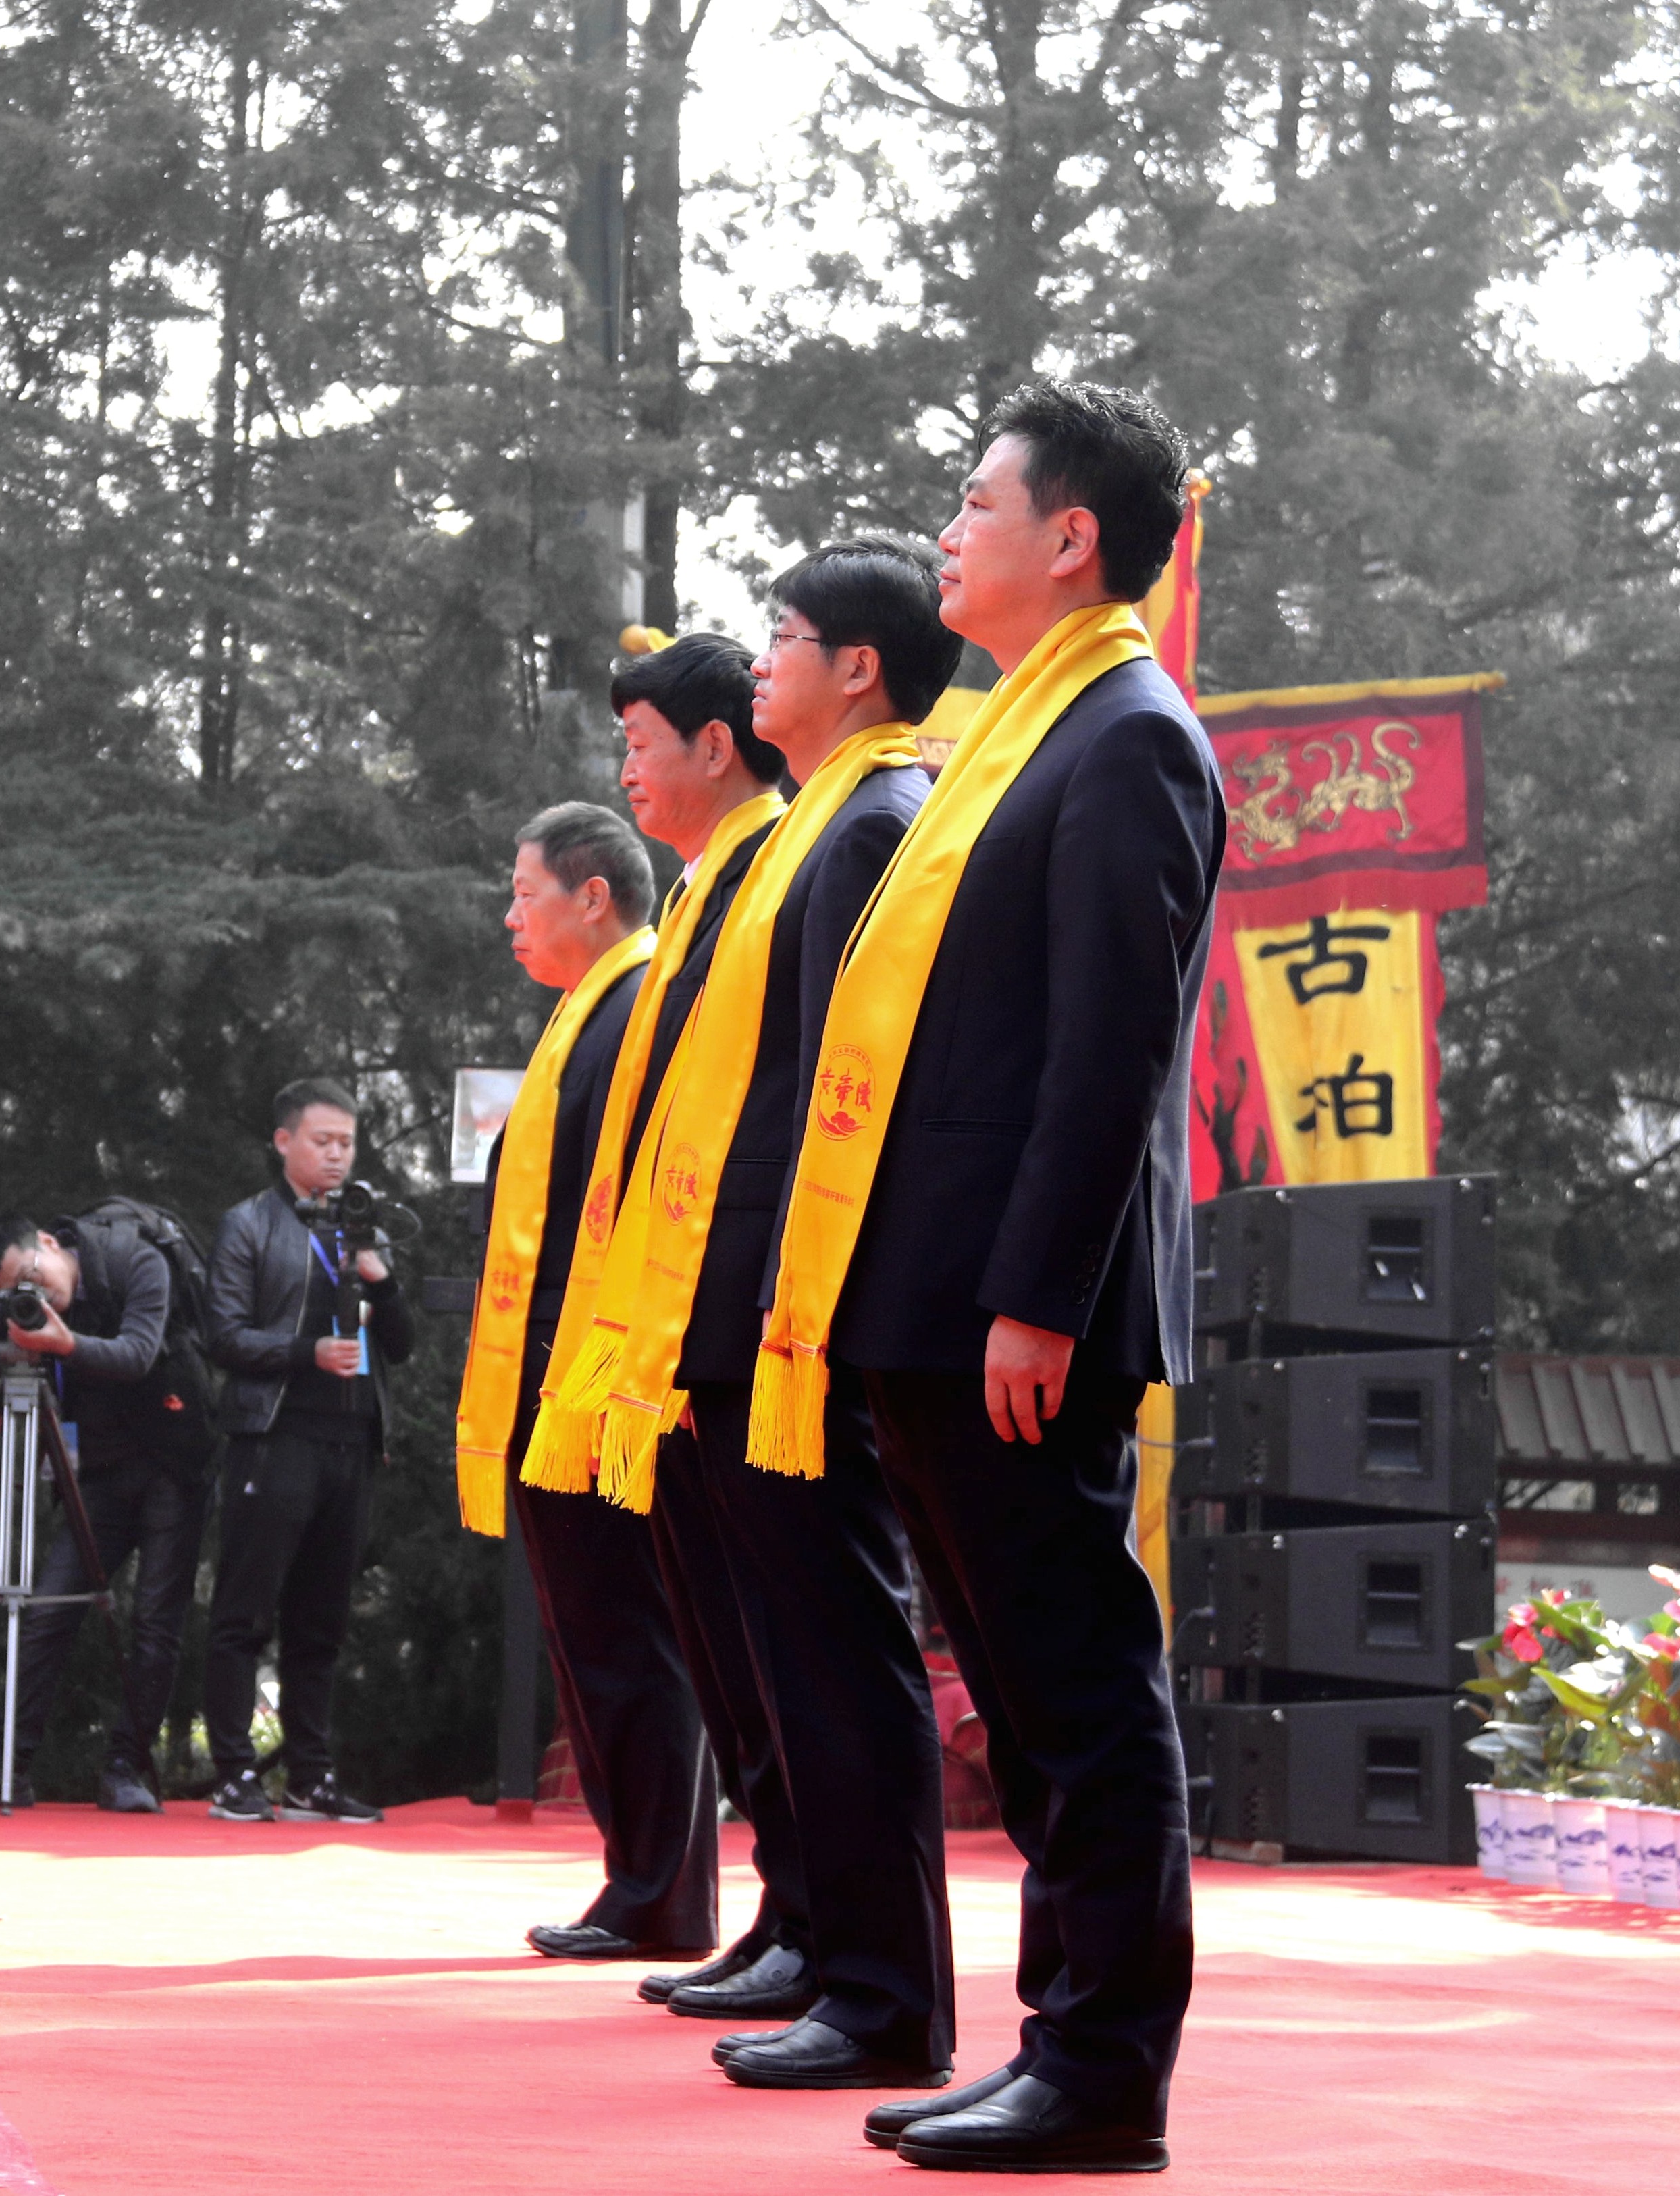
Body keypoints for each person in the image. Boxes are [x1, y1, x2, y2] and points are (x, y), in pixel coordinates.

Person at [757, 381, 1221, 2174]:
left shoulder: (1126, 738)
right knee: (1032, 1706)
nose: (949, 532)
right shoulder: (1027, 735)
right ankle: (1054, 2043)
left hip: (1019, 1313)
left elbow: (1109, 1055)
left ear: (1073, 536)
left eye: (975, 503)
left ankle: (1101, 2069)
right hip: (932, 1301)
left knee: (1082, 1694)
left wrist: (1035, 1289)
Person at [665, 535, 972, 2095]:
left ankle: (881, 1991)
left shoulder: (869, 829)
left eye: (780, 633)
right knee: (796, 1644)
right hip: (749, 1305)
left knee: (839, 1647)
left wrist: (796, 1310)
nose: (758, 659)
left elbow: (842, 1108)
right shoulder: (812, 833)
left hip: (804, 1315)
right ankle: (834, 1954)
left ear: (857, 666)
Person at [456, 801, 722, 1962]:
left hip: (603, 1373)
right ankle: (641, 1876)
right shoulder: (588, 1012)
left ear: (593, 895)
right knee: (598, 1634)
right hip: (559, 1370)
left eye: (524, 892)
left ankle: (659, 1886)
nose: (508, 915)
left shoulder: (637, 1005)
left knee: (627, 1633)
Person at [0, 1207, 215, 1813]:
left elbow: (137, 1353)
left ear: (51, 1243)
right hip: (102, 1472)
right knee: (48, 1609)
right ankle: (4, 1768)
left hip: (175, 1459)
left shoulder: (136, 1261)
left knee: (156, 1621)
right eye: (10, 1293)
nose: (31, 1294)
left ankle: (126, 1769)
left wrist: (64, 1342)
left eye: (30, 1274)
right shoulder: (28, 1305)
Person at [202, 1079, 415, 1823]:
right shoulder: (248, 1226)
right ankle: (233, 1775)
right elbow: (222, 1337)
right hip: (274, 1437)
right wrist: (306, 1353)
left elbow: (402, 1344)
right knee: (245, 1611)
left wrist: (379, 1281)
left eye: (346, 1143)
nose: (335, 1155)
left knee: (321, 1620)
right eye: (321, 1141)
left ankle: (310, 1776)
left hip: (351, 1444)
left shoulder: (363, 1230)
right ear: (283, 1142)